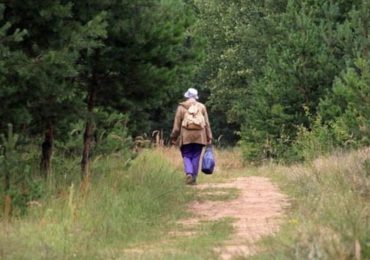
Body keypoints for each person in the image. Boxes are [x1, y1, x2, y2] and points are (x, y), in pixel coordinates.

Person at [170, 88, 213, 185]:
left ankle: (189, 173)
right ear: (196, 97)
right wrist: (209, 136)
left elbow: (176, 127)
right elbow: (206, 123)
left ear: (187, 96)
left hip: (186, 137)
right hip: (200, 137)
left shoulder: (181, 107)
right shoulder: (202, 107)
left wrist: (174, 137)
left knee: (186, 154)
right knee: (196, 155)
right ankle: (193, 177)